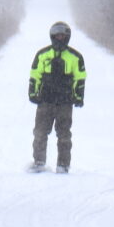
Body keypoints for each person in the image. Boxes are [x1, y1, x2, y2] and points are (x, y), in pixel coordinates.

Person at [28, 21, 86, 172]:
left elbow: (80, 78)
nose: (60, 38)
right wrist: (33, 92)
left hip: (65, 102)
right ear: (52, 36)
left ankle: (63, 165)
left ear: (67, 37)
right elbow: (35, 75)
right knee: (40, 133)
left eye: (63, 35)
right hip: (45, 101)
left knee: (64, 135)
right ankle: (39, 162)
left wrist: (79, 96)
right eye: (57, 35)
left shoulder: (75, 57)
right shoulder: (43, 55)